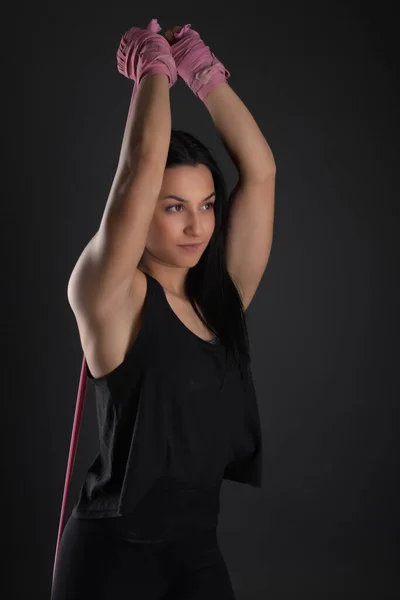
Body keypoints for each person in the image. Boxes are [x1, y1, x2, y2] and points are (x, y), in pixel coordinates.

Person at [51, 18, 276, 600]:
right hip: (110, 560)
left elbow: (262, 172)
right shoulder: (108, 295)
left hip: (198, 556)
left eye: (205, 205)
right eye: (174, 206)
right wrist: (151, 71)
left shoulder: (221, 299)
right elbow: (140, 166)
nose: (197, 224)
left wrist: (202, 72)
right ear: (139, 210)